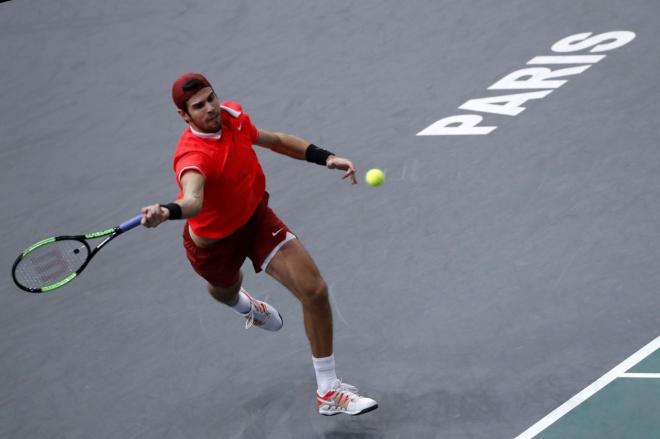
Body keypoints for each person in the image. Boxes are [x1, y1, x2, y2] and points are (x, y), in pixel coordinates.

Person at [140, 73, 378, 416]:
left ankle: (328, 392)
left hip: (256, 221)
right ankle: (247, 307)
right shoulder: (192, 157)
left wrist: (325, 157)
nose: (210, 109)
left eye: (211, 98)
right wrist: (167, 210)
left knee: (315, 290)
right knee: (223, 290)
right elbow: (192, 200)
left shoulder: (233, 117)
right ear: (184, 115)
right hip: (214, 245)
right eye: (199, 106)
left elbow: (276, 140)